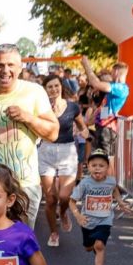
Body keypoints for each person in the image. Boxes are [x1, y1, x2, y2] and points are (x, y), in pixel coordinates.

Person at [0, 44, 58, 225]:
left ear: (20, 67)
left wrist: (28, 118)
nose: (5, 70)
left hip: (23, 184)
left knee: (20, 245)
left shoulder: (34, 92)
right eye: (0, 65)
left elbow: (53, 133)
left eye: (11, 65)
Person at [38, 75, 86, 247]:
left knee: (64, 196)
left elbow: (82, 125)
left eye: (56, 86)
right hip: (46, 151)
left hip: (67, 151)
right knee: (50, 198)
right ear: (45, 90)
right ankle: (53, 233)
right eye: (49, 87)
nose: (53, 89)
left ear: (61, 87)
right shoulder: (41, 108)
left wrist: (84, 132)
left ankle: (64, 212)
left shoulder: (72, 106)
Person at [69, 149, 124, 265]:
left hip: (105, 220)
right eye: (94, 165)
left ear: (107, 167)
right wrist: (78, 216)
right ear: (88, 166)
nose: (97, 168)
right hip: (87, 221)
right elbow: (72, 201)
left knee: (99, 246)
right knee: (89, 247)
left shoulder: (111, 181)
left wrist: (120, 201)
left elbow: (115, 190)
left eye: (101, 165)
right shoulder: (85, 183)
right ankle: (92, 246)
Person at [80, 56, 129, 155]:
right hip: (102, 128)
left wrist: (87, 65)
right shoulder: (113, 89)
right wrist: (90, 121)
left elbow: (96, 83)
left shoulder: (121, 88)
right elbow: (104, 110)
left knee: (107, 158)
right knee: (102, 157)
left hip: (108, 129)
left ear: (116, 72)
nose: (110, 75)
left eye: (111, 73)